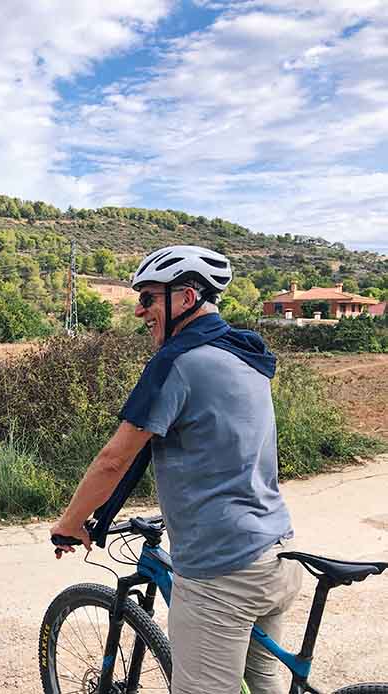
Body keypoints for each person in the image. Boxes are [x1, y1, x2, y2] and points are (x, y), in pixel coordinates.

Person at [50, 245, 302, 694]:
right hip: (275, 556)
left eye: (148, 298)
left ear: (185, 298)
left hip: (222, 573)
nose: (138, 310)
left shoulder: (177, 363)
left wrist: (70, 522)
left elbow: (115, 459)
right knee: (264, 686)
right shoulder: (246, 356)